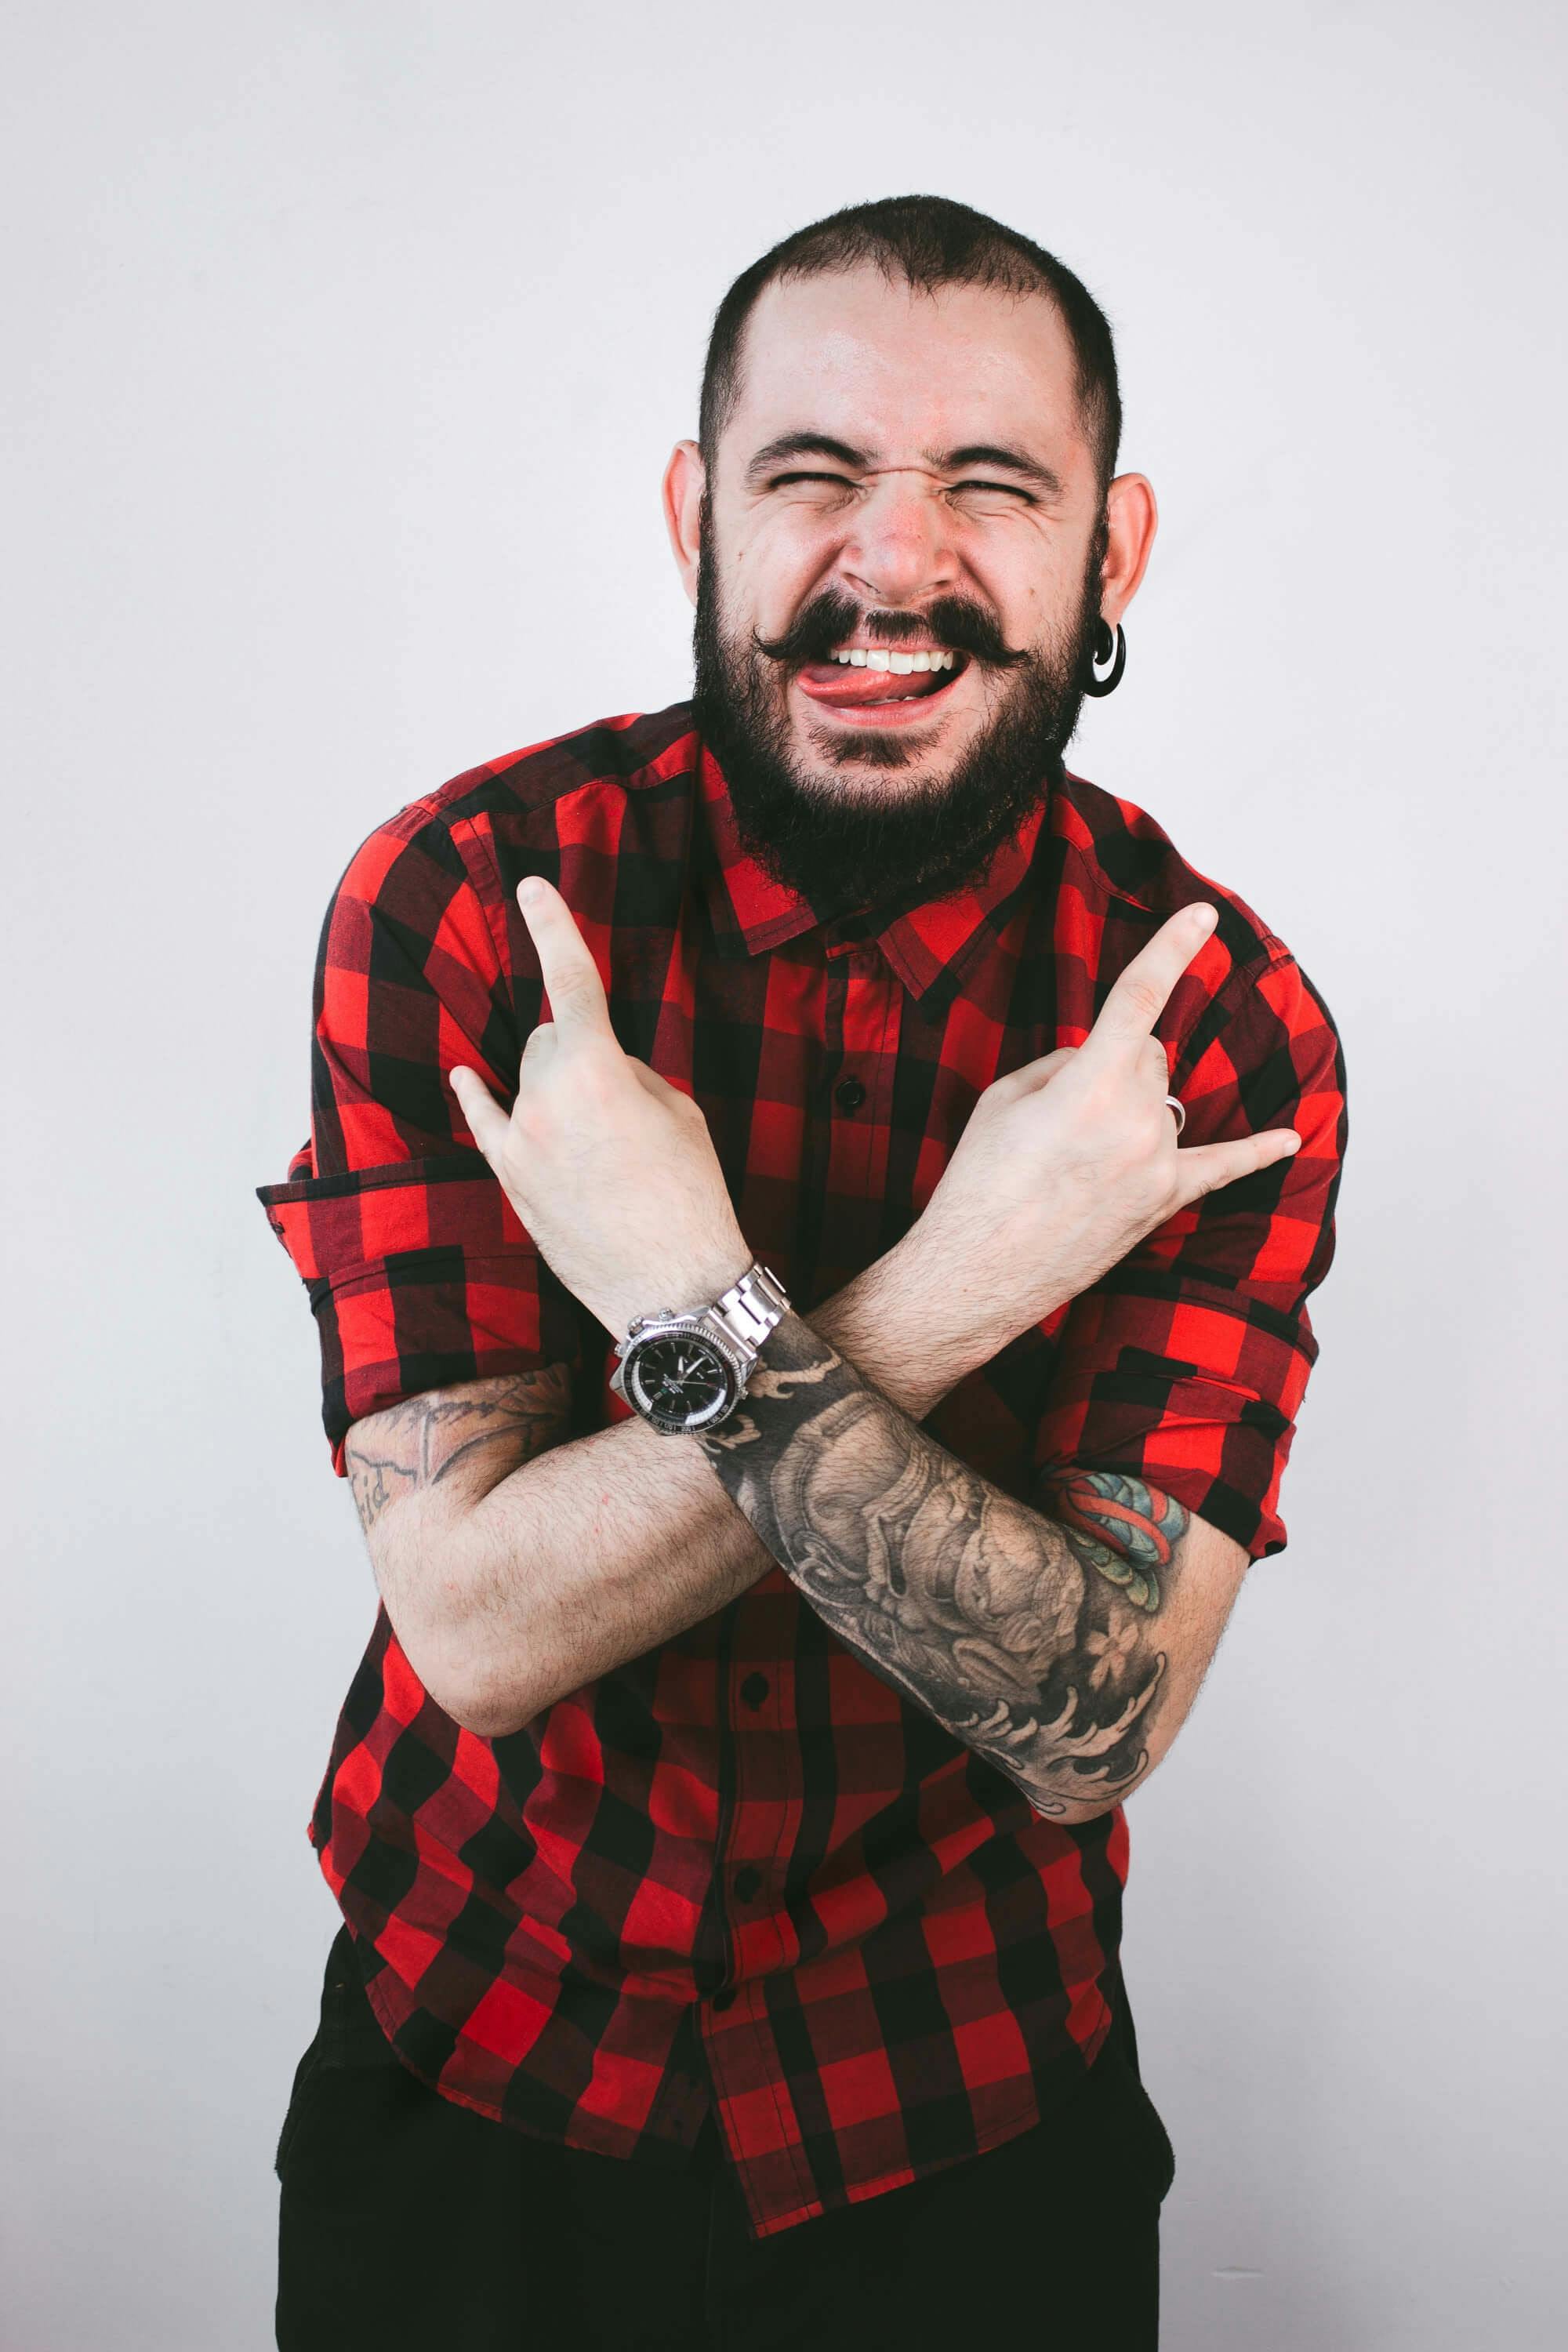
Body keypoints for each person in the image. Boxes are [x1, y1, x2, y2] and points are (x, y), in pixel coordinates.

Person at [256, 194, 1348, 2350]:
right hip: (478, 2060)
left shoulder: (1215, 1034)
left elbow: (1092, 1719)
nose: (894, 559)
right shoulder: (470, 911)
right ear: (698, 513)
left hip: (966, 2113)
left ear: (1110, 554)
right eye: (815, 473)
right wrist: (950, 1290)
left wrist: (688, 1302)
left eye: (992, 487)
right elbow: (473, 1623)